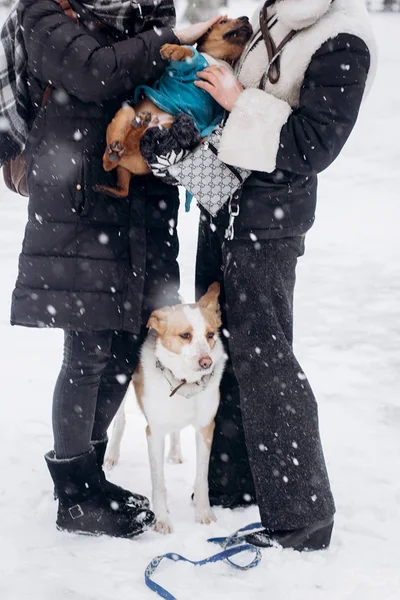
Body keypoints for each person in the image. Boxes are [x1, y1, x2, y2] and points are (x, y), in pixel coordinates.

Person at [144, 0, 376, 550]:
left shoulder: (343, 38)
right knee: (222, 350)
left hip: (271, 220)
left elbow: (313, 145)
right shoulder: (270, 15)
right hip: (222, 203)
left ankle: (302, 516)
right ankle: (233, 485)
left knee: (267, 358)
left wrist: (239, 99)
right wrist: (178, 154)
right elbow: (226, 133)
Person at [5, 0, 219, 538]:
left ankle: (91, 476)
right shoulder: (44, 13)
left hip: (141, 206)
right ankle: (74, 493)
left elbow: (169, 91)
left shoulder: (146, 17)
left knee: (126, 345)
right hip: (79, 203)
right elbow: (94, 71)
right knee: (88, 349)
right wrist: (174, 37)